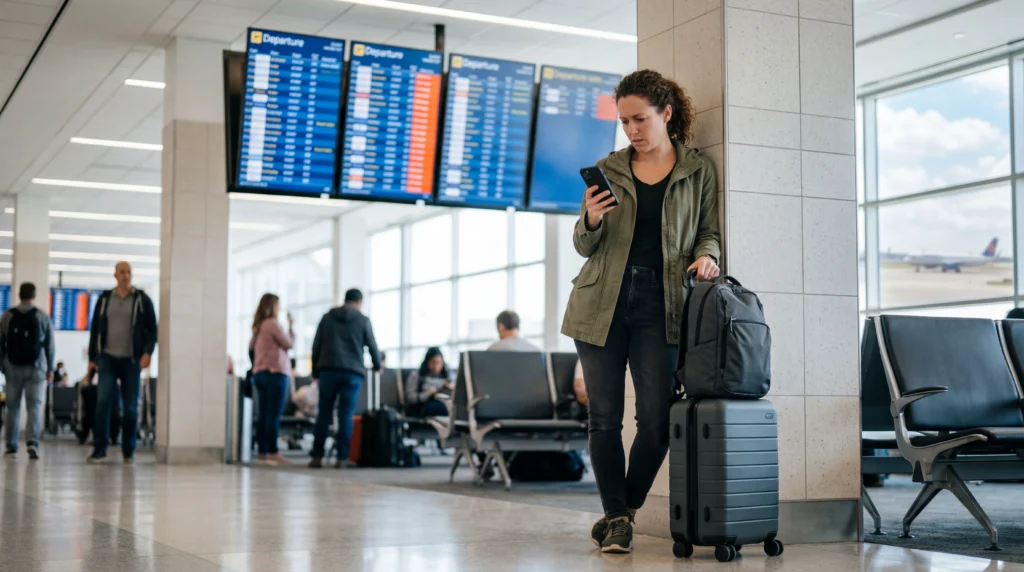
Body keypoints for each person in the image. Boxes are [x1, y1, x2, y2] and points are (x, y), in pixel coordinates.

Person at [561, 69, 721, 554]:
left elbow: (708, 230)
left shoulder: (697, 170)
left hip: (664, 302)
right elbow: (583, 244)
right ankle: (616, 519)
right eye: (624, 120)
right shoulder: (607, 169)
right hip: (600, 301)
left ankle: (625, 508)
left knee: (656, 419)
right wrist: (590, 217)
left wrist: (709, 255)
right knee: (604, 418)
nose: (631, 130)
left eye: (640, 119)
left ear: (666, 114)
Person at [87, 262, 157, 465]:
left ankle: (129, 451)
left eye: (129, 272)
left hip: (131, 360)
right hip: (107, 358)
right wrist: (93, 358)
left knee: (130, 407)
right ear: (115, 275)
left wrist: (147, 352)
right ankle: (100, 449)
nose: (126, 276)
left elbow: (152, 330)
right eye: (122, 272)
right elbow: (95, 329)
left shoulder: (142, 300)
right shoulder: (105, 299)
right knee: (103, 402)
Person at [308, 288, 381, 469]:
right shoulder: (363, 320)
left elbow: (316, 345)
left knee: (324, 413)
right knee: (346, 415)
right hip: (352, 373)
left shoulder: (327, 317)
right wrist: (377, 365)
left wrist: (316, 371)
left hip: (328, 370)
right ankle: (342, 458)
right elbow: (372, 345)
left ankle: (317, 456)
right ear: (359, 302)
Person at [0, 282, 55, 460]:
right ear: (34, 295)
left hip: (12, 366)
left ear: (19, 294)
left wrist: (2, 364)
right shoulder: (41, 316)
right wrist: (50, 368)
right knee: (34, 406)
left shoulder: (7, 316)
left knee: (12, 407)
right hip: (36, 368)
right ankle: (32, 443)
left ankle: (11, 447)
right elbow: (49, 346)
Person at [249, 293, 294, 466]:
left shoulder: (258, 326)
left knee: (264, 414)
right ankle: (273, 452)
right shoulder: (272, 324)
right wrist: (291, 327)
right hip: (275, 372)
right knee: (273, 414)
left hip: (260, 372)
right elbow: (288, 344)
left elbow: (251, 348)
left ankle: (263, 452)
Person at [404, 347, 452, 418]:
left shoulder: (446, 376)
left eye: (439, 363)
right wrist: (428, 393)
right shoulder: (417, 375)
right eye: (433, 362)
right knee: (441, 407)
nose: (436, 366)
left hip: (441, 402)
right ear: (427, 362)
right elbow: (410, 398)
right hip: (420, 407)